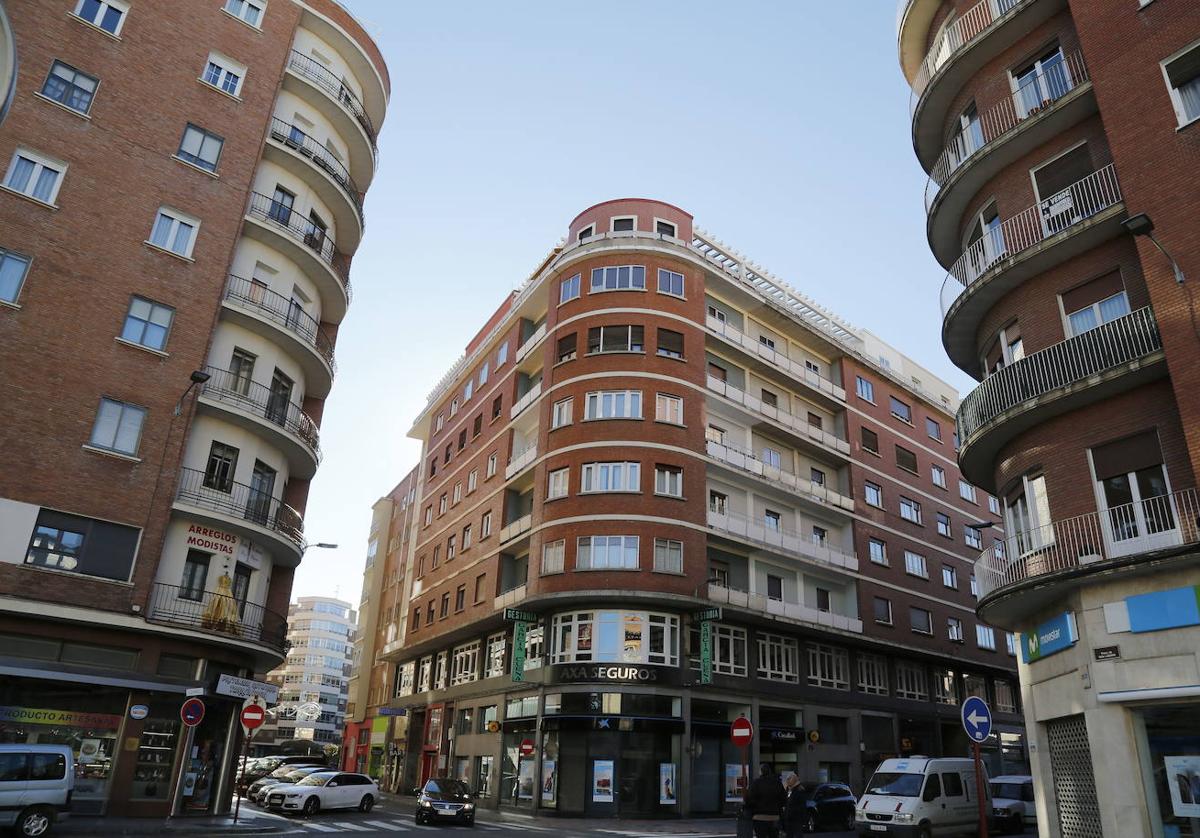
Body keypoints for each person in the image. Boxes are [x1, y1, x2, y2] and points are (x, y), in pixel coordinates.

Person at [747, 763, 786, 838]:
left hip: (759, 816)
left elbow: (750, 799)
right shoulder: (777, 783)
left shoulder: (756, 783)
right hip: (774, 816)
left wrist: (752, 809)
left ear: (761, 772)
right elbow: (784, 799)